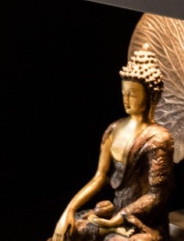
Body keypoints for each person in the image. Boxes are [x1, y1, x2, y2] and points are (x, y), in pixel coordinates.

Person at [51, 49, 175, 241]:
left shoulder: (159, 139)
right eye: (123, 92)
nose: (126, 99)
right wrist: (69, 209)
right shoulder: (114, 129)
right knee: (69, 230)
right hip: (114, 213)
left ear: (151, 95)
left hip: (142, 222)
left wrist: (121, 217)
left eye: (133, 94)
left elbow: (157, 195)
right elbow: (100, 177)